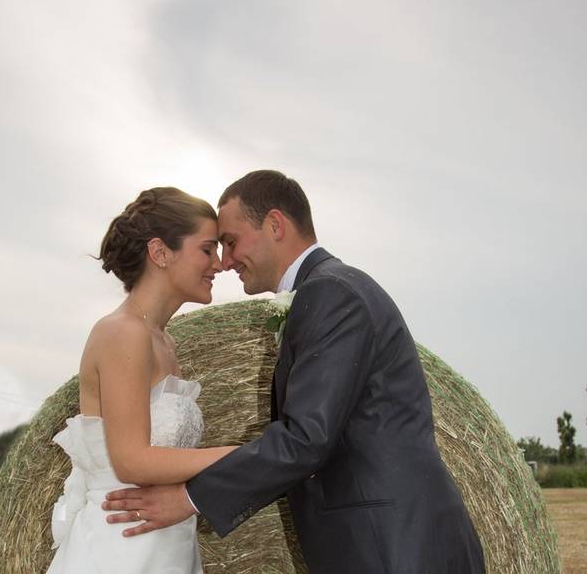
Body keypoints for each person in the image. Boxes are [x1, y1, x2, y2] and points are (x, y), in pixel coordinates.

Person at [104, 171, 485, 573]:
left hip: (395, 548)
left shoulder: (331, 293)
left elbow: (306, 438)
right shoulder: (327, 289)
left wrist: (189, 498)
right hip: (388, 542)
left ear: (275, 225)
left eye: (231, 242)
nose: (226, 261)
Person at [46, 187, 235, 574]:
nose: (219, 264)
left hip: (165, 543)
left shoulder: (162, 341)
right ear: (160, 252)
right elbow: (133, 461)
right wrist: (246, 456)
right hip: (122, 550)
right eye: (207, 249)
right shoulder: (123, 333)